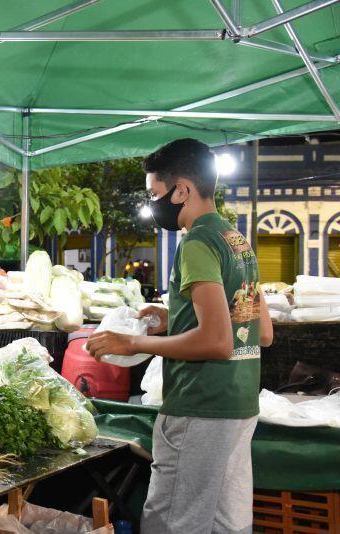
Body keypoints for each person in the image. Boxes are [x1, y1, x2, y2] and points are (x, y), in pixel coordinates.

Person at [86, 139, 273, 534]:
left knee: (173, 523)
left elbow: (218, 341)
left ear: (182, 190)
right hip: (239, 404)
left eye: (156, 194)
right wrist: (174, 317)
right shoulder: (237, 242)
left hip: (199, 405)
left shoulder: (197, 243)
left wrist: (132, 343)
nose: (155, 205)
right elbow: (262, 331)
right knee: (228, 524)